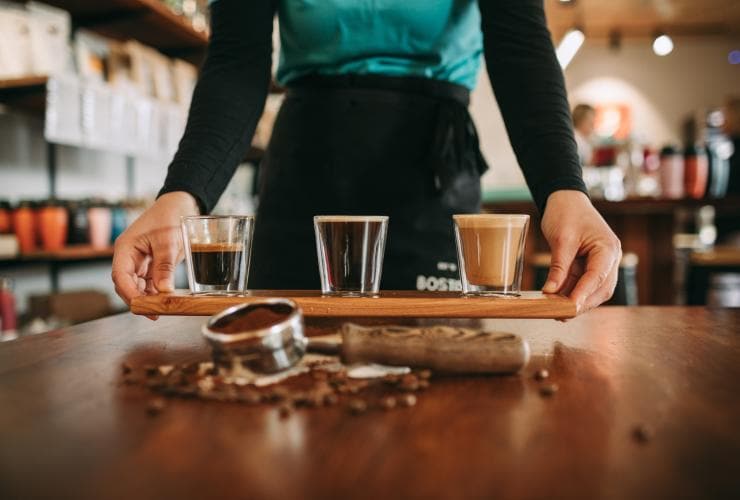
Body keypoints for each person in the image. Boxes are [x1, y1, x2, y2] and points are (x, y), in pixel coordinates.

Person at [112, 0, 622, 316]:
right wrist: (183, 192)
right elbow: (236, 60)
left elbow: (523, 48)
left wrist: (563, 187)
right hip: (305, 168)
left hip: (430, 172)